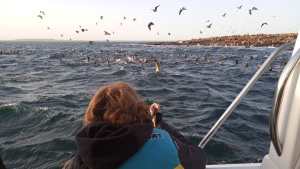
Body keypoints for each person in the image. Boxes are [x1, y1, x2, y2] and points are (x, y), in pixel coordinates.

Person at [63, 82, 206, 169]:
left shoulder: (82, 160)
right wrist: (157, 122)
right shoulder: (165, 142)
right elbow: (199, 158)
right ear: (137, 109)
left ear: (91, 115)